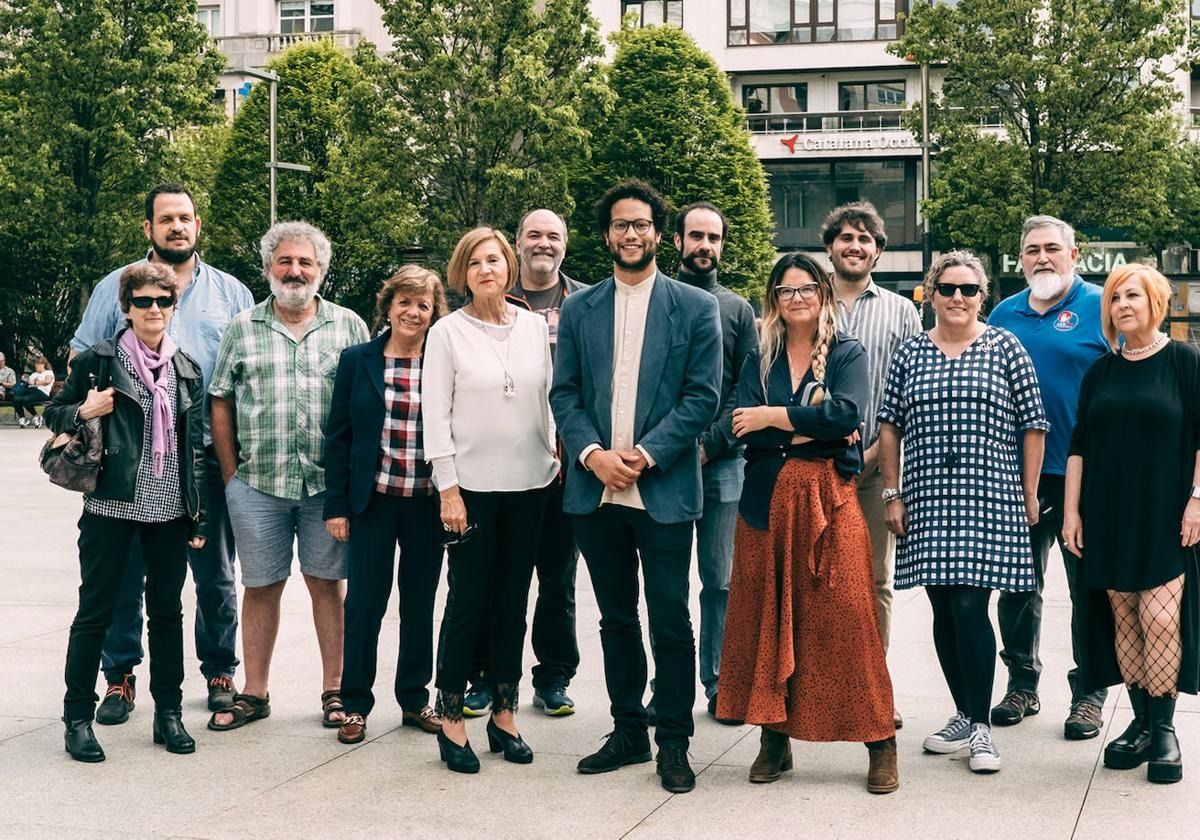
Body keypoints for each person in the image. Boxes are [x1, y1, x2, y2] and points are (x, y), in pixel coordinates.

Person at [551, 179, 722, 794]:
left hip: (664, 491)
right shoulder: (579, 309)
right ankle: (627, 732)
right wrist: (594, 455)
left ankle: (673, 743)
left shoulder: (694, 308)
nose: (631, 233)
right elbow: (563, 393)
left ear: (659, 234)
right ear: (607, 236)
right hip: (595, 494)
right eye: (621, 224)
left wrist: (645, 456)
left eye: (642, 224)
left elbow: (702, 398)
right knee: (616, 619)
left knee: (671, 620)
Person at [69, 183, 253, 725]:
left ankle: (219, 670)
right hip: (126, 461)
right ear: (147, 228)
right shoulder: (118, 285)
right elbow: (84, 353)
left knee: (215, 574)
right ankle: (121, 676)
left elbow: (243, 375)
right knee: (125, 578)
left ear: (198, 226)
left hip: (207, 459)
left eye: (186, 218)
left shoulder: (231, 294)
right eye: (166, 218)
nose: (177, 226)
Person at [716, 253, 897, 793]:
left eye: (806, 289)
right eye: (785, 290)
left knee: (847, 622)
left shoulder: (847, 351)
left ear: (822, 294)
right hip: (764, 504)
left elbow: (847, 416)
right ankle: (775, 738)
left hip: (828, 500)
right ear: (774, 298)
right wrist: (803, 429)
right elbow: (738, 426)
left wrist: (773, 417)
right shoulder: (760, 355)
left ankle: (880, 740)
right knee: (767, 619)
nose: (797, 298)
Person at [878, 251, 1047, 774]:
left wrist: (1027, 493)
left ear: (983, 296)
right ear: (930, 293)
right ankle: (962, 712)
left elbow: (1033, 425)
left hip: (988, 496)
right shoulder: (910, 353)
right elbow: (889, 426)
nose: (957, 297)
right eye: (947, 288)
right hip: (927, 497)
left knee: (972, 607)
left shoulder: (1005, 347)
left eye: (969, 289)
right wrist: (892, 492)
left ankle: (981, 728)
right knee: (944, 610)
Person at [207, 221, 369, 732]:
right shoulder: (242, 327)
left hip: (328, 489)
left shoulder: (349, 327)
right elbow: (220, 399)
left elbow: (369, 404)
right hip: (258, 485)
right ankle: (254, 692)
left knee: (328, 586)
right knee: (260, 587)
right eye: (285, 261)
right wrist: (231, 475)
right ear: (268, 268)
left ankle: (335, 691)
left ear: (321, 270)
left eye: (305, 262)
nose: (295, 270)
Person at [46, 262, 208, 762]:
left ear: (173, 306)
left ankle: (169, 714)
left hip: (167, 509)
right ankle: (77, 717)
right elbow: (55, 411)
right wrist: (82, 411)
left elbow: (194, 450)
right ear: (126, 308)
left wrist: (197, 515)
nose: (153, 310)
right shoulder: (100, 361)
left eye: (163, 301)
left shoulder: (187, 368)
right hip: (111, 503)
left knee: (166, 613)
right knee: (95, 611)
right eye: (143, 302)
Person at [424, 226, 559, 774]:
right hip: (471, 489)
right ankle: (452, 716)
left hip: (531, 484)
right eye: (475, 262)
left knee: (513, 602)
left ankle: (504, 714)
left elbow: (547, 399)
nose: (486, 269)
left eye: (495, 260)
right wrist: (447, 487)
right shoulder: (447, 333)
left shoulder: (532, 327)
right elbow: (435, 414)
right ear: (463, 272)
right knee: (467, 603)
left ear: (510, 267)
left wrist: (554, 457)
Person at [1063, 264, 1200, 785]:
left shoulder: (1184, 361)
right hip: (1107, 512)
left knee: (1161, 619)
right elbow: (1079, 445)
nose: (1122, 304)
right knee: (1126, 620)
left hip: (1166, 512)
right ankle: (1140, 725)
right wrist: (1072, 512)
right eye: (1115, 298)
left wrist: (1197, 500)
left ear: (1156, 302)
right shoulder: (1101, 371)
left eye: (1133, 295)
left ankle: (1164, 730)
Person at [456, 209, 584, 718]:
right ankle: (485, 675)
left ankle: (553, 677)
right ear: (516, 244)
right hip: (490, 468)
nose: (544, 243)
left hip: (563, 466)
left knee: (558, 575)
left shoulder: (586, 303)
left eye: (554, 235)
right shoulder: (485, 303)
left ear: (566, 245)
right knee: (489, 577)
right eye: (534, 234)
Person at [987, 215, 1110, 738]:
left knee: (1089, 589)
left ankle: (1089, 692)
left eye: (1052, 248)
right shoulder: (1002, 313)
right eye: (1032, 249)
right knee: (1017, 586)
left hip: (1086, 476)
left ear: (1074, 254)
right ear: (1021, 259)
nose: (1042, 257)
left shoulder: (1102, 305)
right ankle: (1022, 682)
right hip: (1014, 476)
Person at [323, 266, 449, 745]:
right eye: (405, 302)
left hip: (427, 503)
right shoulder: (358, 360)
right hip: (372, 502)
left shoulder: (442, 360)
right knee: (364, 606)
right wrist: (337, 506)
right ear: (389, 305)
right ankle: (354, 705)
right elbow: (339, 437)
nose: (413, 312)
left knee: (419, 605)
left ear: (433, 312)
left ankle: (415, 699)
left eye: (423, 305)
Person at [822, 201, 921, 729]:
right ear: (830, 247)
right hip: (816, 464)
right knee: (818, 578)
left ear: (878, 251)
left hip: (878, 465)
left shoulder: (902, 312)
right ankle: (820, 684)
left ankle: (873, 689)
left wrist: (886, 458)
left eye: (865, 239)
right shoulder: (808, 300)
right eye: (845, 237)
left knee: (874, 581)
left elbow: (908, 393)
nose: (855, 246)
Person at [672, 202, 757, 723]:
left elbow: (746, 388)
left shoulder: (739, 309)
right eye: (696, 236)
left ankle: (719, 680)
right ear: (677, 241)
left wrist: (709, 443)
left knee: (720, 580)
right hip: (665, 463)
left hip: (723, 462)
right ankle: (671, 679)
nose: (705, 246)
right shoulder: (662, 300)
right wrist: (674, 446)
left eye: (714, 237)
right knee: (667, 580)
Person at [13, 356, 54, 427]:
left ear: (43, 364)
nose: (36, 366)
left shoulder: (49, 372)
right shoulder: (34, 374)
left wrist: (35, 382)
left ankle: (36, 416)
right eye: (35, 364)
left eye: (37, 364)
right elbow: (28, 382)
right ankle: (22, 418)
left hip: (43, 393)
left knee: (26, 399)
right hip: (32, 391)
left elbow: (47, 381)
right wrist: (25, 379)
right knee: (16, 399)